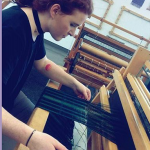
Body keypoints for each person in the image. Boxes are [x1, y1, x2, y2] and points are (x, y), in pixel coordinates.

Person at [2, 0, 93, 150]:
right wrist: (31, 137)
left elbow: (43, 63)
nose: (73, 33)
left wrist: (74, 83)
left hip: (8, 96)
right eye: (72, 25)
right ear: (55, 10)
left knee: (46, 125)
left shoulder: (34, 26)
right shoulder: (12, 29)